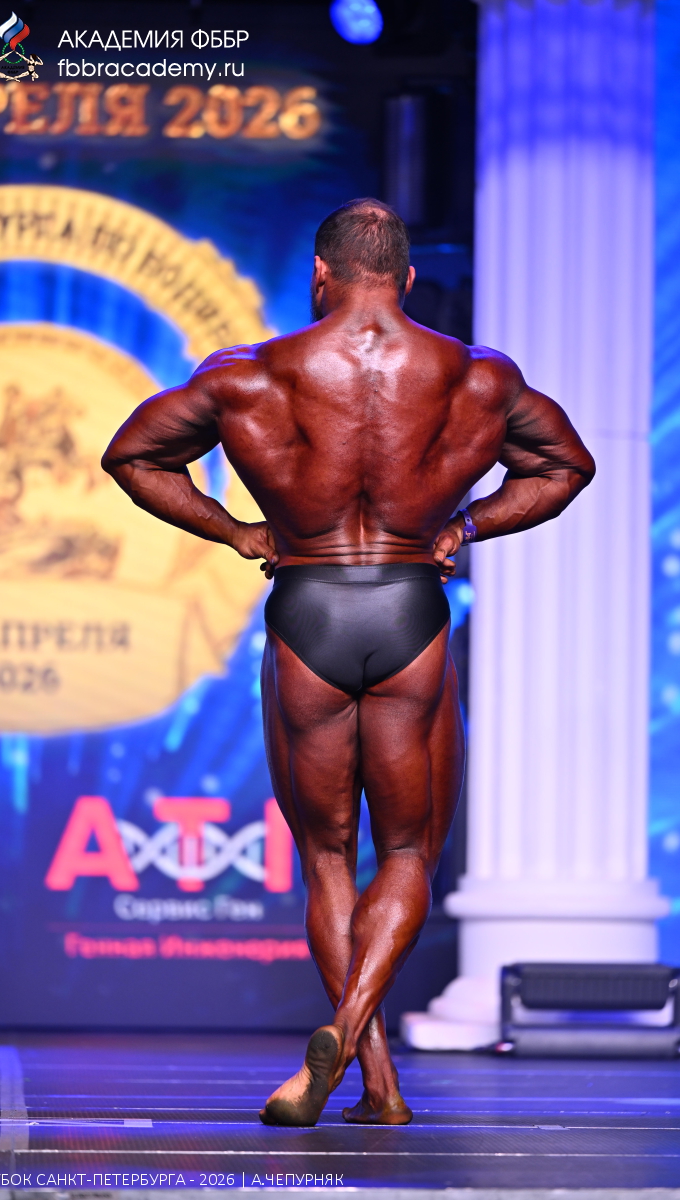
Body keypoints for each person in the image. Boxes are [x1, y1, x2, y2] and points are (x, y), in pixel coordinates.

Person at [102, 198, 595, 1128]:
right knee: (408, 851)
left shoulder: (248, 373)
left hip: (308, 609)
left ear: (320, 275)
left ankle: (372, 1075)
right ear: (407, 278)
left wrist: (238, 529)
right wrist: (464, 527)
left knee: (327, 855)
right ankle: (365, 1060)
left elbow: (133, 456)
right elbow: (566, 466)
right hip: (409, 606)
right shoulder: (477, 375)